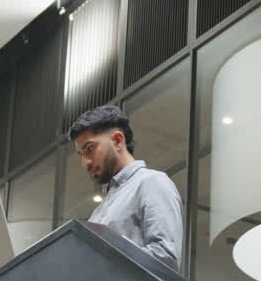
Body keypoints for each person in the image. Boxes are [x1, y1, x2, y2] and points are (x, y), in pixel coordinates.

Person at [68, 105, 183, 270]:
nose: (85, 162)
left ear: (117, 140)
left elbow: (165, 259)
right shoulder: (98, 212)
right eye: (81, 154)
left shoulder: (151, 182)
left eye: (90, 149)